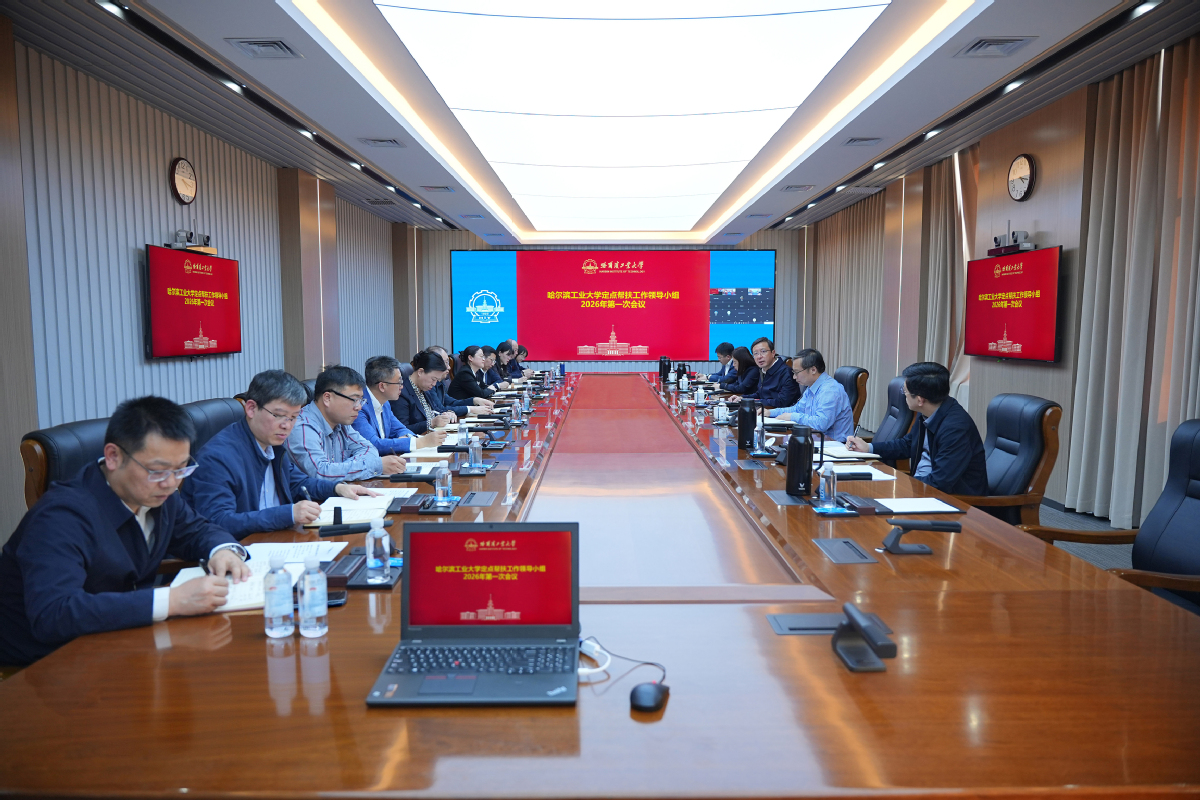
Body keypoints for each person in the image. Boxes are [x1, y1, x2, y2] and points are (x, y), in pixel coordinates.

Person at [0, 396, 251, 666]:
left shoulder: (157, 493)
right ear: (113, 456)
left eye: (181, 469)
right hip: (48, 664)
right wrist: (172, 600)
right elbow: (54, 614)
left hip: (122, 639)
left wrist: (223, 550)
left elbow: (197, 530)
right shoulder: (60, 517)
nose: (170, 483)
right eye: (157, 471)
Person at [183, 370, 380, 539]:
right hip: (241, 551)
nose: (287, 425)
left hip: (277, 538)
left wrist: (337, 488)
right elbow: (218, 521)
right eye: (278, 415)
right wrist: (288, 514)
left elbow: (298, 482)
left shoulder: (273, 445)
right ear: (251, 408)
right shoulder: (218, 457)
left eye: (293, 417)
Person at [846, 362, 987, 495]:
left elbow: (940, 482)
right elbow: (907, 444)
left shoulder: (955, 429)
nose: (903, 394)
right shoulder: (929, 411)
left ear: (920, 400)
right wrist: (869, 448)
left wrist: (899, 486)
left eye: (905, 391)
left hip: (952, 500)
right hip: (921, 488)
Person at [287, 364, 406, 480]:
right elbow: (321, 472)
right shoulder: (302, 427)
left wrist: (343, 469)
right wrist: (375, 465)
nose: (359, 407)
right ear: (327, 398)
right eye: (354, 399)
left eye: (361, 400)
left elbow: (369, 449)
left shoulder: (342, 422)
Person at [353, 355, 446, 454]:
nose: (402, 387)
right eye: (399, 382)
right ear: (382, 386)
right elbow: (373, 445)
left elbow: (399, 429)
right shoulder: (359, 407)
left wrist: (406, 438)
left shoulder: (385, 402)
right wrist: (421, 442)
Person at [768, 349, 855, 441]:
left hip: (833, 444)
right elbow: (797, 409)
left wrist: (792, 416)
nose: (794, 377)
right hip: (816, 438)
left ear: (813, 370)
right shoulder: (812, 387)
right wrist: (770, 412)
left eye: (796, 372)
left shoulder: (830, 390)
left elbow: (821, 424)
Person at [393, 350, 462, 434]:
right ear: (420, 372)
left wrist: (447, 414)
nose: (434, 384)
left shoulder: (424, 388)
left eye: (437, 380)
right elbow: (402, 430)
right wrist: (431, 423)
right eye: (433, 379)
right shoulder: (401, 393)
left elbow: (435, 410)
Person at [729, 337, 800, 408]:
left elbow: (782, 402)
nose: (759, 357)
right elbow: (760, 394)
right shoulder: (763, 370)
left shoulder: (786, 372)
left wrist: (753, 402)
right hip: (765, 410)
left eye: (763, 351)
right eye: (756, 353)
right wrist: (742, 398)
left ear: (773, 353)